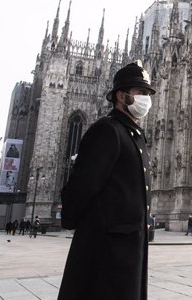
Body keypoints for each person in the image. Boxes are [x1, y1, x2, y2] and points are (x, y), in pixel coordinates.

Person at [57, 61, 155, 300]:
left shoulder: (134, 135)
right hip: (106, 251)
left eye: (147, 94)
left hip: (129, 251)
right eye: (140, 93)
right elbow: (81, 188)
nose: (146, 99)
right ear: (122, 96)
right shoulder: (108, 131)